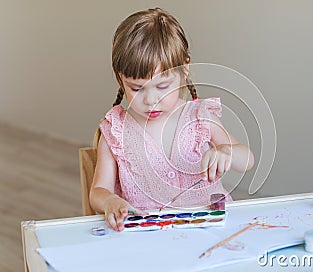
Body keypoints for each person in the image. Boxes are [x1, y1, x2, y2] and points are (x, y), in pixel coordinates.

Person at [90, 8, 254, 231]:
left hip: (209, 232)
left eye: (162, 86)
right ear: (121, 78)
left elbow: (247, 160)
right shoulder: (116, 130)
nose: (151, 100)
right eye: (137, 88)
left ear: (184, 69)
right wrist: (110, 201)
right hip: (146, 239)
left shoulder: (199, 117)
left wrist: (227, 152)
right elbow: (98, 191)